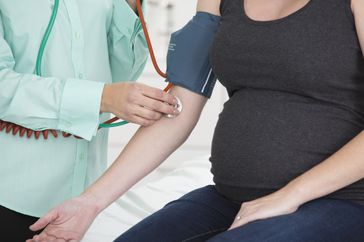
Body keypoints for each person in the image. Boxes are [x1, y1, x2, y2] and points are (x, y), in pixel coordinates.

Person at [27, 0, 364, 241]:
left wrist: (290, 195)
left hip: (341, 199)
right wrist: (91, 203)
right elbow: (179, 107)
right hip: (230, 197)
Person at [0, 0, 179, 241]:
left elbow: (118, 74)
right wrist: (102, 97)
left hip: (86, 198)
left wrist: (129, 7)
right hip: (10, 196)